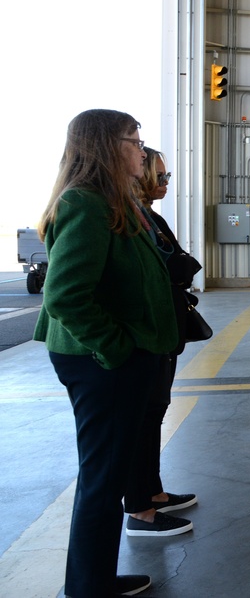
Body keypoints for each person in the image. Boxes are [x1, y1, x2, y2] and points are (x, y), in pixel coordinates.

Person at [34, 110, 178, 597]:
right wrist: (116, 349)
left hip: (109, 361)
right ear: (107, 146)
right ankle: (88, 587)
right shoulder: (85, 203)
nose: (143, 150)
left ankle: (92, 579)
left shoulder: (111, 201)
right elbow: (66, 295)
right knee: (102, 477)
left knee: (106, 474)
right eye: (135, 140)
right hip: (99, 363)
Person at [123, 148, 198, 537]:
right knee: (142, 419)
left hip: (160, 331)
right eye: (161, 176)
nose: (166, 183)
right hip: (143, 335)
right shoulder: (127, 217)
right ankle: (139, 510)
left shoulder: (146, 217)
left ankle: (151, 492)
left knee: (154, 413)